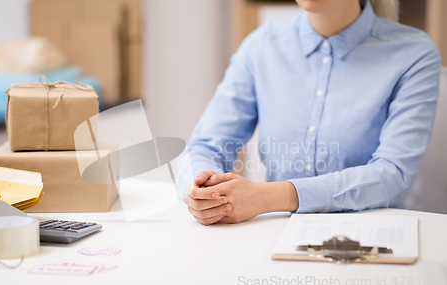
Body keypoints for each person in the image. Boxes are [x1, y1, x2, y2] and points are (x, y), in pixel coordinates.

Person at [176, 0, 441, 225]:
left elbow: (393, 176)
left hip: (371, 237)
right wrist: (203, 191)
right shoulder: (262, 45)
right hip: (274, 234)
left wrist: (266, 197)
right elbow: (208, 142)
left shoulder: (413, 53)